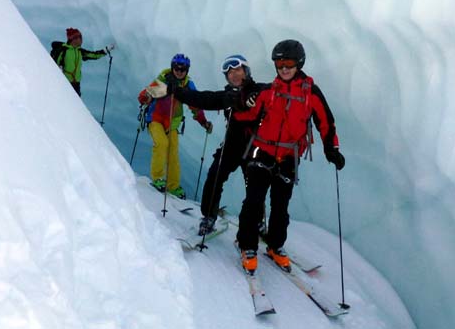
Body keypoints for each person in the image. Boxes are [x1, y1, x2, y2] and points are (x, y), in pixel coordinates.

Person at [235, 40, 346, 275]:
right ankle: (247, 245)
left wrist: (331, 149)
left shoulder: (310, 93)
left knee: (280, 206)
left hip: (288, 156)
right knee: (254, 200)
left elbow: (325, 121)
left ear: (299, 63)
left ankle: (275, 245)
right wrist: (240, 103)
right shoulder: (267, 91)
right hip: (261, 151)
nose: (283, 68)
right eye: (279, 63)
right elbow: (248, 114)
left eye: (289, 63)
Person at [170, 55, 269, 236]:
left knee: (254, 187)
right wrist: (177, 92)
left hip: (254, 148)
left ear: (246, 71)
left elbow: (276, 91)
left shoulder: (261, 90)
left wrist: (258, 96)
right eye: (229, 73)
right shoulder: (227, 96)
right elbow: (203, 99)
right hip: (231, 147)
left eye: (237, 70)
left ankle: (258, 221)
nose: (233, 75)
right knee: (214, 178)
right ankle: (209, 217)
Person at [138, 54, 212, 199]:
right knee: (161, 144)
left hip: (172, 124)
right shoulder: (164, 80)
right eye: (176, 68)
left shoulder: (187, 86)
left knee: (173, 153)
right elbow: (144, 95)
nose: (179, 71)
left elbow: (195, 105)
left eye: (183, 69)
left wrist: (203, 122)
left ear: (187, 70)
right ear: (172, 68)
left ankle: (173, 186)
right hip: (155, 120)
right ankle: (158, 178)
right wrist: (148, 97)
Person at [53, 27, 115, 97]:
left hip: (76, 84)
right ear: (72, 39)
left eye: (80, 37)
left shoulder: (79, 51)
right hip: (65, 83)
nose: (80, 40)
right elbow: (55, 65)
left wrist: (106, 50)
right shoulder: (63, 51)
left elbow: (93, 55)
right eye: (78, 37)